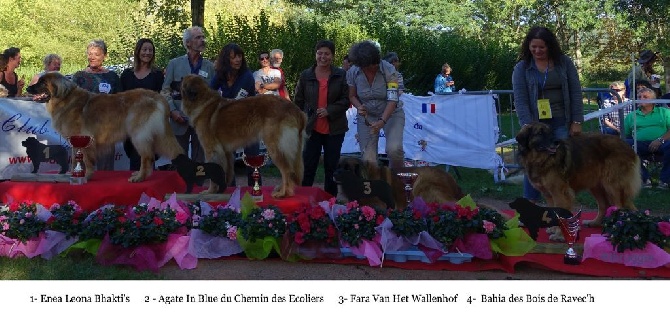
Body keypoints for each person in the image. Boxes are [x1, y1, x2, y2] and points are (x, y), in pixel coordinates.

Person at [512, 26, 584, 202]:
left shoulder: (564, 63)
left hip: (561, 120)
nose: (537, 51)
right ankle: (531, 204)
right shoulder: (522, 68)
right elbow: (520, 99)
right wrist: (528, 125)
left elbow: (575, 92)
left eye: (541, 47)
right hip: (535, 124)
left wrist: (577, 120)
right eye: (533, 47)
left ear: (550, 46)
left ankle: (560, 208)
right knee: (533, 163)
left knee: (557, 165)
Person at [294, 40, 349, 196]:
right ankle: (304, 200)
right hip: (312, 128)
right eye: (319, 53)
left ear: (332, 56)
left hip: (335, 128)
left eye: (326, 53)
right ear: (315, 54)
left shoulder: (341, 74)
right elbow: (298, 102)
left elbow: (346, 99)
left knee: (331, 167)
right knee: (308, 166)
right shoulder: (306, 75)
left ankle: (329, 202)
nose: (322, 57)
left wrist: (329, 110)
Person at [347, 40, 405, 170]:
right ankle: (374, 187)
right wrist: (358, 106)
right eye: (366, 66)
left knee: (394, 150)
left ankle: (398, 183)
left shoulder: (389, 70)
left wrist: (382, 121)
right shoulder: (353, 72)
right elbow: (352, 96)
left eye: (374, 64)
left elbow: (393, 99)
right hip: (367, 116)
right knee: (368, 158)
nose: (372, 67)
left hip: (392, 114)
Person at [161, 26, 215, 164]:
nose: (202, 40)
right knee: (179, 160)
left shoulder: (209, 66)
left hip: (202, 121)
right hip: (179, 119)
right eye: (198, 37)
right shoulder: (174, 64)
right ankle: (179, 185)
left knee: (201, 161)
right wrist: (172, 112)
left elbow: (214, 93)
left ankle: (199, 185)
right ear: (188, 43)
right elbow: (165, 91)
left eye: (203, 37)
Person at [209, 43, 258, 187]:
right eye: (233, 57)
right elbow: (209, 94)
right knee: (228, 158)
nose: (237, 60)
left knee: (253, 158)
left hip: (250, 122)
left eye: (239, 56)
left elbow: (237, 102)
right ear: (226, 59)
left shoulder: (247, 76)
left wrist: (220, 102)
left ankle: (256, 190)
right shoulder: (220, 75)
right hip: (230, 122)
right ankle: (231, 192)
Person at [72, 40, 121, 171]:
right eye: (90, 54)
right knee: (82, 167)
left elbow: (120, 101)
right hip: (83, 128)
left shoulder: (112, 77)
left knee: (105, 168)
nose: (92, 57)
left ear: (105, 56)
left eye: (97, 54)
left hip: (106, 128)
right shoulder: (78, 76)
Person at [120, 38, 165, 171]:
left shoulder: (157, 75)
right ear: (138, 51)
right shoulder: (126, 75)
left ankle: (150, 190)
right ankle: (134, 190)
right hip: (131, 124)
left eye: (150, 50)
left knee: (148, 158)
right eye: (144, 49)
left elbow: (161, 98)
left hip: (150, 124)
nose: (147, 53)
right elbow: (120, 99)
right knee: (134, 160)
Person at [624, 87, 670, 189]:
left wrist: (660, 140)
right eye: (639, 97)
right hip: (640, 144)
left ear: (653, 100)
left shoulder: (664, 112)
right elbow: (625, 134)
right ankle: (644, 179)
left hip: (662, 143)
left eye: (645, 97)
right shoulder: (631, 116)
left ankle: (665, 181)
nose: (641, 98)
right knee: (624, 145)